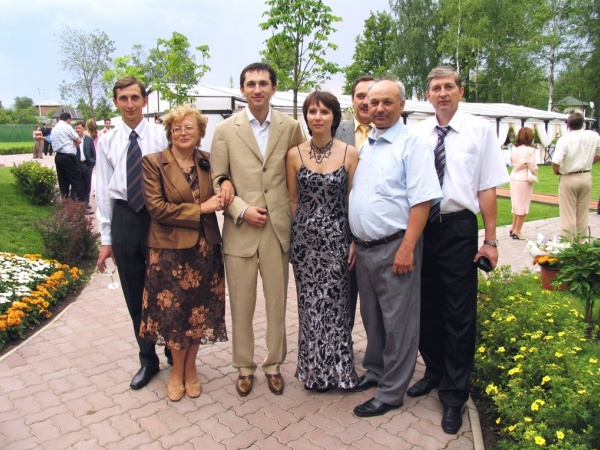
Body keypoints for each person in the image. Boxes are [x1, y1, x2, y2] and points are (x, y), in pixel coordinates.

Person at [410, 66, 509, 434]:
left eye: (448, 86)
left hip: (458, 228)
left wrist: (491, 240)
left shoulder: (480, 131)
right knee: (426, 308)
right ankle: (435, 371)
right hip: (423, 228)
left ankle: (454, 395)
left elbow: (487, 187)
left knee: (459, 313)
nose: (442, 93)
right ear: (427, 95)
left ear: (460, 91)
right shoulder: (417, 133)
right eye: (435, 88)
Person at [349, 79, 442, 418]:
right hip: (365, 248)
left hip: (395, 247)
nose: (379, 109)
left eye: (387, 102)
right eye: (373, 103)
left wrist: (407, 248)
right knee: (372, 318)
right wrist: (355, 239)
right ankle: (375, 371)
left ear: (402, 105)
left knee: (398, 323)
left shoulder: (412, 145)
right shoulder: (367, 145)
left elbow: (422, 201)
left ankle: (391, 392)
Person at [210, 62, 304, 397]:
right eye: (251, 84)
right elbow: (218, 179)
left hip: (278, 229)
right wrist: (241, 209)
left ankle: (274, 365)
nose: (257, 89)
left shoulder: (291, 127)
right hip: (240, 230)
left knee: (277, 304)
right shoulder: (225, 130)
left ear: (274, 88)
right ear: (242, 90)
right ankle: (244, 367)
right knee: (241, 305)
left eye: (263, 83)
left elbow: (300, 171)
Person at [139, 104, 230, 401]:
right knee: (175, 315)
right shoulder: (154, 163)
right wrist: (201, 208)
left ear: (200, 132)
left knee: (199, 312)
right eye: (176, 128)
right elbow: (157, 208)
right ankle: (176, 370)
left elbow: (225, 180)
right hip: (169, 253)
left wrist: (226, 182)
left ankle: (191, 368)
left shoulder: (208, 161)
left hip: (205, 250)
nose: (182, 133)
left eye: (189, 127)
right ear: (169, 133)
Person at [96, 76, 170, 390]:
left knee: (166, 288)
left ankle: (174, 351)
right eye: (123, 98)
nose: (129, 104)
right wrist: (106, 239)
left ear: (144, 101)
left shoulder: (161, 136)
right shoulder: (107, 142)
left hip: (159, 216)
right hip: (125, 216)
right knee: (134, 291)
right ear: (116, 102)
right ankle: (147, 359)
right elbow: (102, 190)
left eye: (134, 98)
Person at [287, 91, 359, 392]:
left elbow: (352, 201)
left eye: (324, 111)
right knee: (309, 307)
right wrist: (295, 238)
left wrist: (353, 240)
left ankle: (340, 371)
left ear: (334, 117)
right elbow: (293, 201)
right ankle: (314, 371)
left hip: (337, 240)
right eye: (312, 111)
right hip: (305, 243)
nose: (317, 117)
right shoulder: (294, 154)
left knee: (336, 305)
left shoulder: (349, 153)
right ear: (306, 117)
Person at [334, 75, 376, 329]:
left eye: (371, 96)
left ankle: (378, 349)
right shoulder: (336, 132)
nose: (366, 101)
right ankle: (344, 346)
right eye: (361, 96)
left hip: (377, 233)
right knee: (343, 300)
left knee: (375, 306)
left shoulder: (392, 133)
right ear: (352, 100)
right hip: (340, 230)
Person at [551, 112, 600, 236]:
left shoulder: (564, 140)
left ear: (568, 125)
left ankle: (567, 241)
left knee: (568, 213)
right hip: (586, 176)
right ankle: (582, 240)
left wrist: (556, 171)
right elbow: (599, 153)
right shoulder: (593, 136)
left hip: (569, 177)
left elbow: (556, 161)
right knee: (583, 212)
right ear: (583, 123)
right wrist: (588, 162)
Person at [509, 127, 538, 240]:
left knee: (516, 204)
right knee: (523, 206)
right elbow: (533, 166)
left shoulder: (514, 148)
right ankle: (517, 230)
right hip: (524, 178)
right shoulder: (530, 150)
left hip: (514, 177)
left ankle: (513, 227)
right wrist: (535, 171)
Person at [53, 112, 84, 201]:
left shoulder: (55, 128)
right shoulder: (67, 127)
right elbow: (78, 140)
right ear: (69, 119)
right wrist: (73, 144)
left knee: (63, 181)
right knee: (77, 181)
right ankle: (79, 203)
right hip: (67, 156)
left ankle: (65, 202)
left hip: (58, 156)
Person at [74, 121, 96, 211]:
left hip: (87, 165)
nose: (77, 130)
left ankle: (86, 204)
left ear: (83, 128)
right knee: (78, 186)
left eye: (79, 128)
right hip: (76, 165)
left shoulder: (89, 140)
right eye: (76, 128)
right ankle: (78, 204)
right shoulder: (73, 140)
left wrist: (92, 162)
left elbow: (93, 152)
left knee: (87, 185)